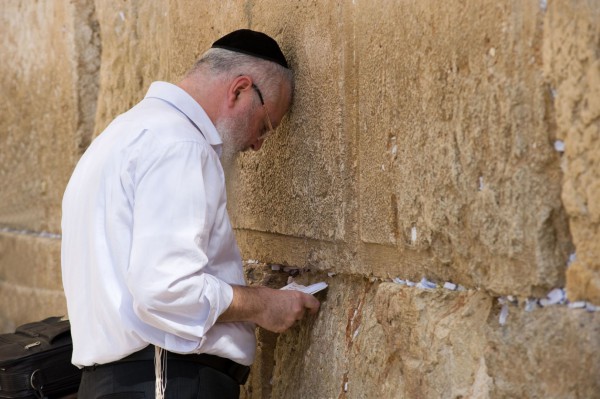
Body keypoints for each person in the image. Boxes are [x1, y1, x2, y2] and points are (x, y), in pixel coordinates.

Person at [61, 29, 321, 399]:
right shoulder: (180, 145)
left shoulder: (118, 136)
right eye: (264, 125)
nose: (258, 144)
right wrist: (264, 304)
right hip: (166, 380)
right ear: (240, 90)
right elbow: (166, 289)